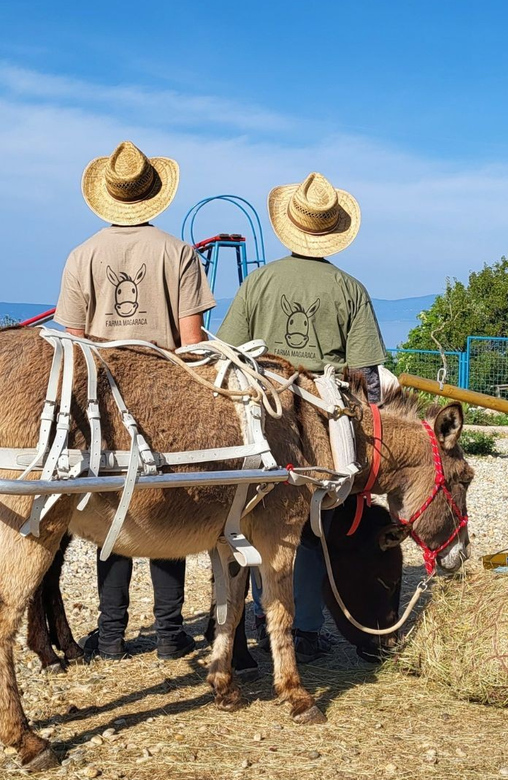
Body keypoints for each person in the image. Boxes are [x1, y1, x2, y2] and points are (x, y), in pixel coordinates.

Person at [54, 141, 216, 661]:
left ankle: (109, 636)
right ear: (153, 195)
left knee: (112, 508)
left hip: (102, 394)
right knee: (168, 505)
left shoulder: (81, 255)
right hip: (168, 394)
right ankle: (170, 635)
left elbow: (71, 342)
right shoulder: (179, 253)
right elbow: (192, 345)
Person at [217, 172, 386, 662]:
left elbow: (225, 352)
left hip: (257, 406)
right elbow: (364, 375)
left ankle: (251, 621)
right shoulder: (350, 288)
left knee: (246, 516)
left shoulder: (260, 280)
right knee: (309, 526)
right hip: (320, 416)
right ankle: (304, 629)